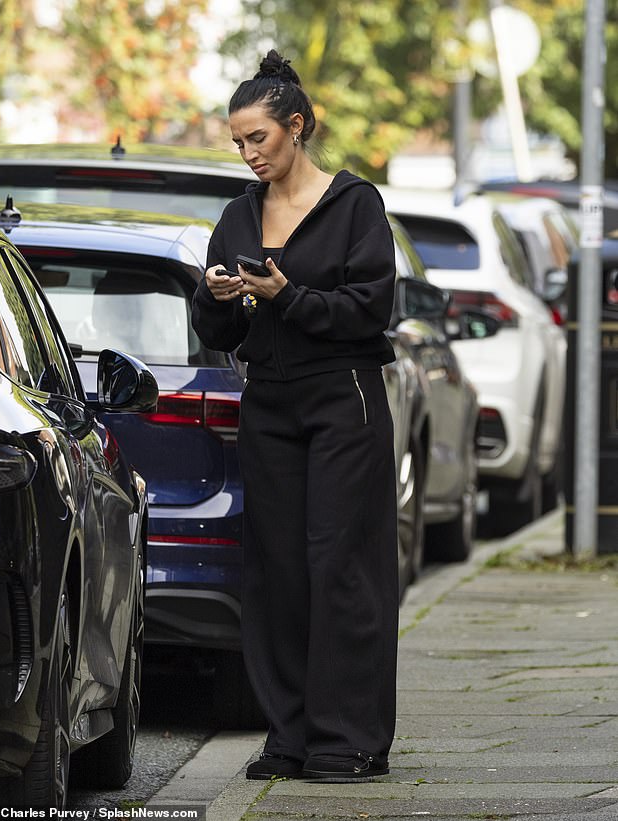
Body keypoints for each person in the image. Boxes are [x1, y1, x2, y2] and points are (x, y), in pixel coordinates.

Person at [191, 49, 398, 783]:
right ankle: (290, 737)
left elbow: (372, 309)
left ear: (297, 126)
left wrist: (286, 296)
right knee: (276, 571)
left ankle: (349, 741)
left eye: (259, 139)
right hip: (269, 401)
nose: (248, 154)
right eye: (239, 142)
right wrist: (213, 299)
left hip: (345, 397)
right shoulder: (237, 215)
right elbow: (220, 336)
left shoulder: (354, 205)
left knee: (339, 566)